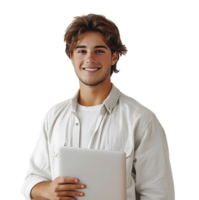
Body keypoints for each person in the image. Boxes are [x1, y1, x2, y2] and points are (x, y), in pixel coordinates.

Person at [19, 12, 176, 200]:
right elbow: (29, 180)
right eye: (82, 50)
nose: (90, 59)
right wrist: (47, 190)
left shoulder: (142, 120)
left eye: (99, 50)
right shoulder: (52, 116)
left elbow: (159, 195)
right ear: (71, 57)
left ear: (114, 57)